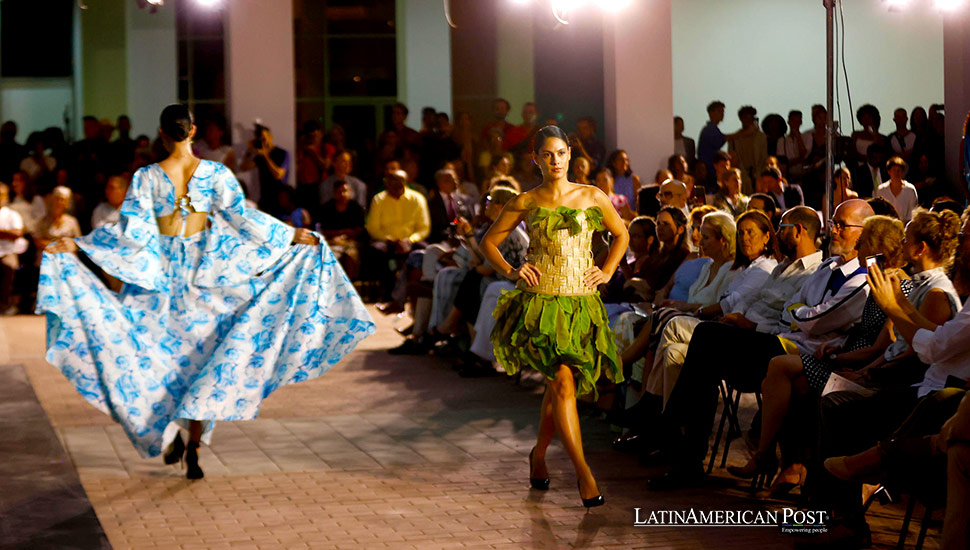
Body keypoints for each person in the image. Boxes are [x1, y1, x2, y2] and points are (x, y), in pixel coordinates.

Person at [39, 104, 375, 479]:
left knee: (149, 356)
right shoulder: (216, 173)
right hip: (205, 277)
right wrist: (289, 234)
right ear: (194, 131)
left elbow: (129, 230)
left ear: (163, 134)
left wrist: (80, 245)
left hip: (162, 278)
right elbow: (242, 218)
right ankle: (194, 444)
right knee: (205, 362)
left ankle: (169, 432)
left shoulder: (147, 176)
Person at [481, 125, 629, 508]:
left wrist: (609, 270)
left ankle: (539, 455)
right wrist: (513, 271)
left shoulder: (592, 195)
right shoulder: (525, 201)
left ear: (569, 154)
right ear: (535, 159)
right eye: (547, 154)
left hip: (581, 305)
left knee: (557, 390)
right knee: (563, 384)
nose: (556, 160)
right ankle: (584, 474)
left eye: (561, 152)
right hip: (541, 305)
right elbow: (489, 243)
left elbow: (622, 235)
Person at [318, 179, 366, 280]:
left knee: (351, 256)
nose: (342, 194)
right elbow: (325, 229)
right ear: (335, 193)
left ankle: (350, 285)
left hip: (351, 242)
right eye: (339, 192)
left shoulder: (356, 208)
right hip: (333, 242)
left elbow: (359, 229)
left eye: (345, 191)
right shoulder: (328, 208)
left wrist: (346, 235)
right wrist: (340, 234)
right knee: (331, 256)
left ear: (350, 192)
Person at [239, 124, 289, 212]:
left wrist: (265, 155)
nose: (263, 142)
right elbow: (243, 168)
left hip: (280, 201)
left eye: (264, 139)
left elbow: (278, 175)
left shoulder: (282, 153)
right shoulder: (260, 156)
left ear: (271, 137)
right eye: (260, 140)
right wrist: (249, 151)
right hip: (265, 201)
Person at [0, 183, 27, 314]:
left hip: (7, 252)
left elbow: (17, 233)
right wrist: (6, 233)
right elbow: (10, 234)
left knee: (9, 266)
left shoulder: (12, 214)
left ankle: (5, 304)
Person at [874, 156, 919, 223]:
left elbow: (913, 212)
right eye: (894, 170)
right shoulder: (882, 190)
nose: (896, 173)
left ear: (902, 172)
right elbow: (879, 211)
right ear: (889, 171)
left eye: (899, 170)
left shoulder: (910, 189)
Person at [698, 101, 727, 188]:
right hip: (709, 171)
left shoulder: (713, 129)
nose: (722, 114)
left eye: (723, 112)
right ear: (711, 113)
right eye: (719, 111)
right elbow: (718, 141)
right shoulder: (708, 130)